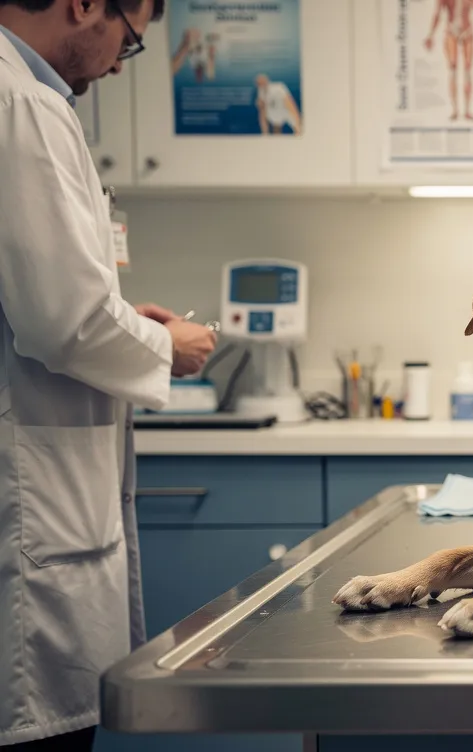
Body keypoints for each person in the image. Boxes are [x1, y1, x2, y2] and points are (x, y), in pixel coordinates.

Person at [0, 0, 217, 749]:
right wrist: (171, 347)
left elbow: (43, 299)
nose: (122, 62)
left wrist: (124, 321)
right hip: (28, 503)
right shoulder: (21, 102)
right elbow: (65, 321)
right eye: (130, 39)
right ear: (87, 5)